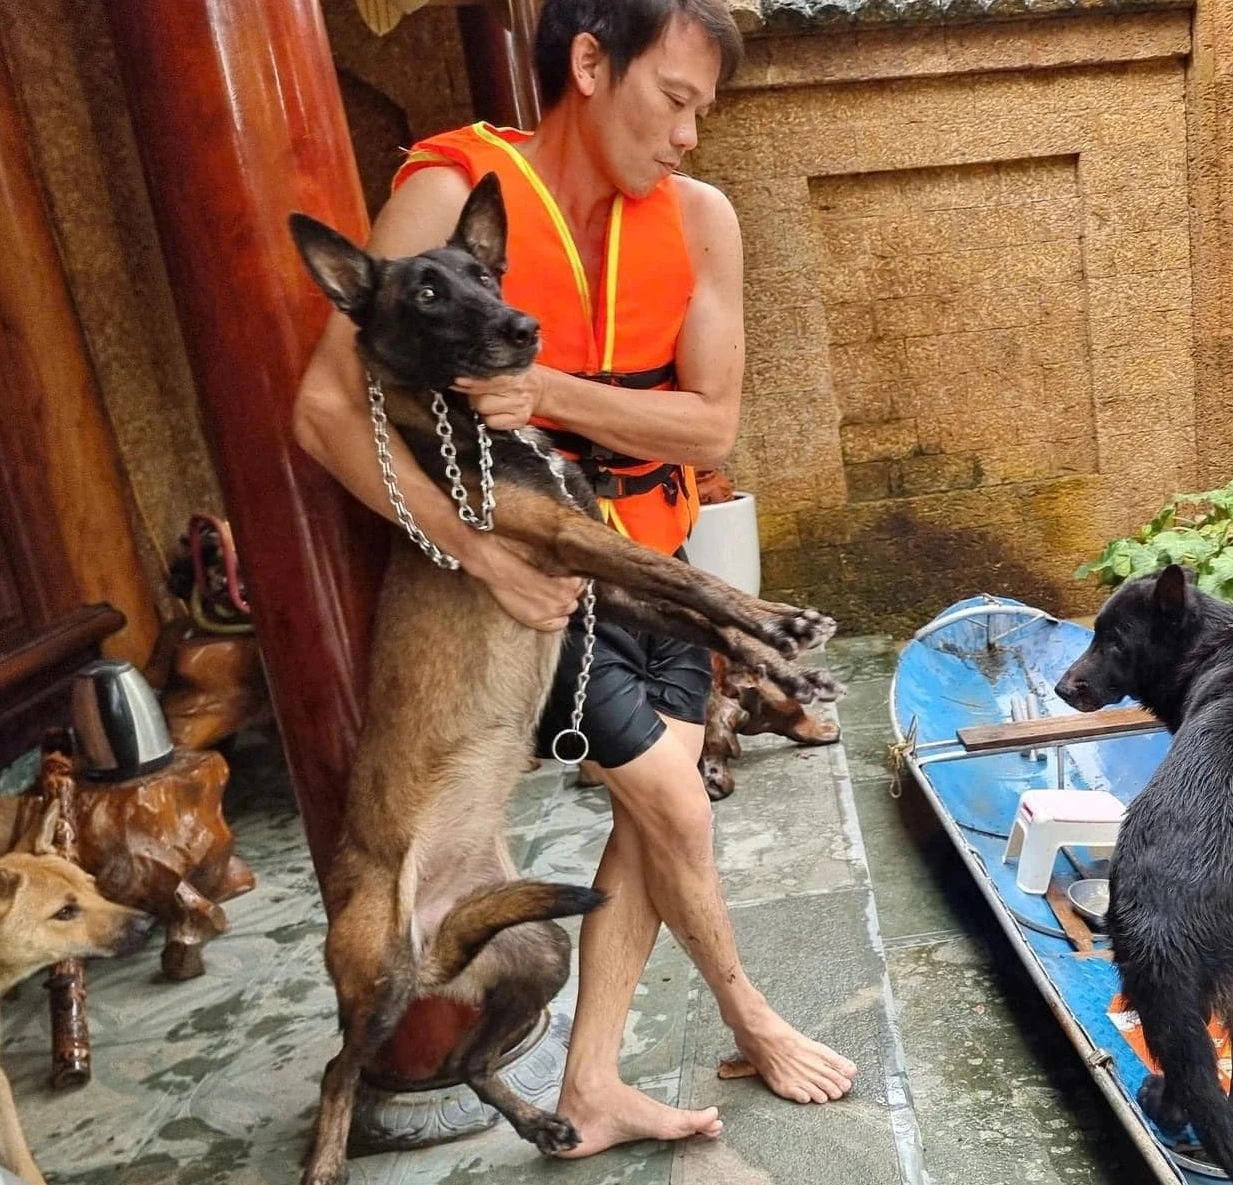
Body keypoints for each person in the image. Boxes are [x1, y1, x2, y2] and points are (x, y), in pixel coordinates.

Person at [292, 0, 855, 1155]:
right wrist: (477, 549)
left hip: (654, 549)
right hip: (533, 578)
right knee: (673, 802)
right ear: (591, 63)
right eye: (676, 100)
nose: (690, 135)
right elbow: (326, 409)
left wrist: (544, 392)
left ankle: (592, 1081)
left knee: (649, 824)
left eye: (705, 110)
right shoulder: (455, 187)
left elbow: (710, 424)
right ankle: (747, 1009)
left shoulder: (702, 218)